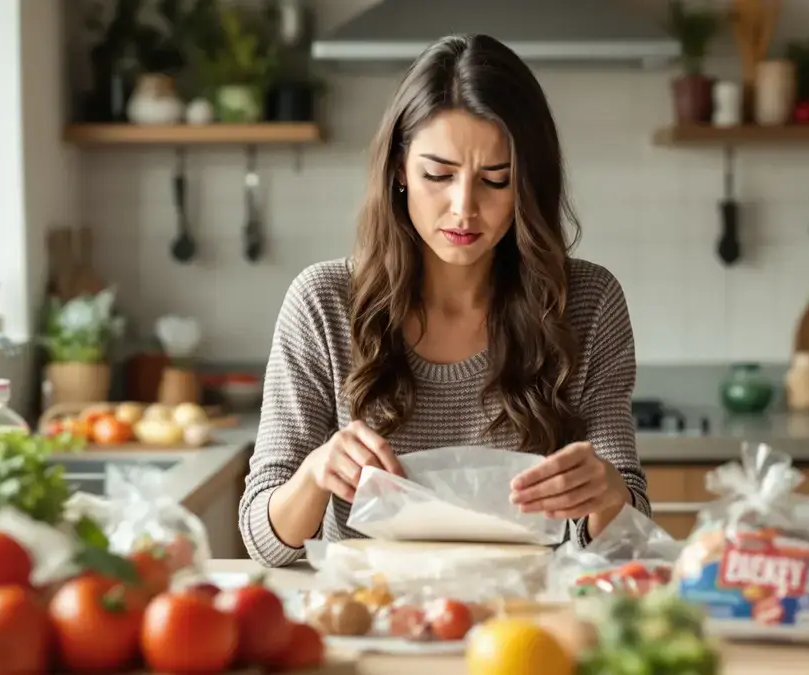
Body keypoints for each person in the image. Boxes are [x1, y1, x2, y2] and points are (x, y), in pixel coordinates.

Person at [240, 33, 651, 568]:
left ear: (528, 186)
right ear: (399, 170)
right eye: (438, 175)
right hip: (375, 606)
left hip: (528, 607)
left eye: (496, 181)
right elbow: (263, 539)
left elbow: (628, 540)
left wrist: (607, 494)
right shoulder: (323, 302)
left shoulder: (588, 302)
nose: (464, 207)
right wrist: (316, 473)